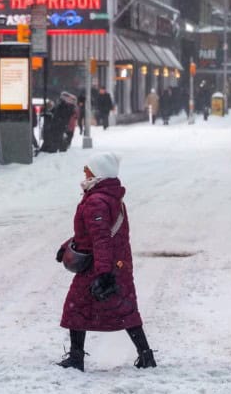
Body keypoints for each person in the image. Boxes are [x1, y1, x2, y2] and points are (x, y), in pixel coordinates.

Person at [55, 152, 156, 372]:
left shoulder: (96, 201)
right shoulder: (109, 197)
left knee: (76, 308)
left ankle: (76, 358)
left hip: (100, 265)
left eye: (88, 168)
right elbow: (92, 234)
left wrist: (103, 273)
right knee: (125, 308)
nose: (84, 171)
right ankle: (146, 355)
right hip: (116, 263)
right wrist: (67, 246)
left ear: (98, 173)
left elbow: (100, 239)